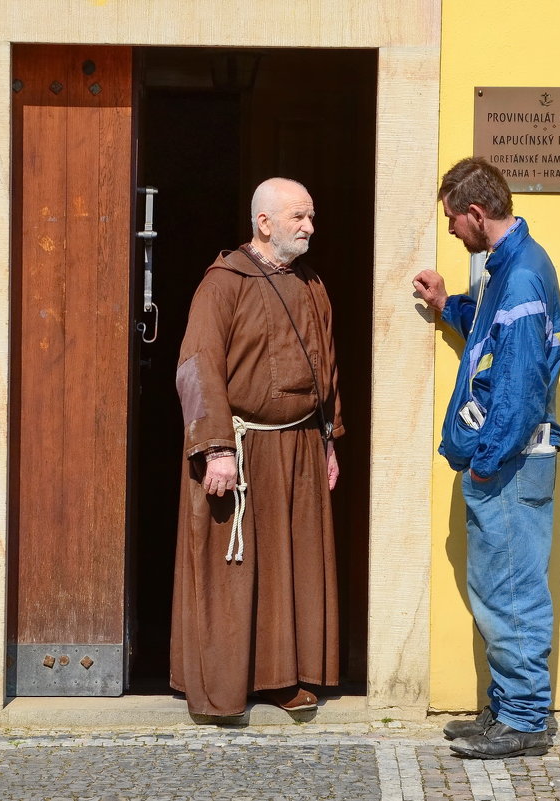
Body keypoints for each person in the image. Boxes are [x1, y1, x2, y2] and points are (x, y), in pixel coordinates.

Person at [170, 177, 343, 717]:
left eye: (311, 217)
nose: (309, 227)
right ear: (264, 223)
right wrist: (216, 447)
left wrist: (328, 438)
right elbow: (197, 366)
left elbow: (326, 366)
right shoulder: (224, 283)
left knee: (287, 567)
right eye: (299, 217)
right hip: (239, 450)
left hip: (298, 449)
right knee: (234, 569)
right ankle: (223, 687)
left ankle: (278, 676)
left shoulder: (311, 282)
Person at [413, 157, 560, 759]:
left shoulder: (522, 276)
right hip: (502, 463)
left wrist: (485, 463)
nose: (450, 229)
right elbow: (493, 338)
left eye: (453, 218)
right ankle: (506, 711)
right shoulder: (506, 269)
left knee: (511, 592)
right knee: (497, 590)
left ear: (477, 214)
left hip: (510, 465)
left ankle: (525, 721)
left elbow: (523, 385)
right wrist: (450, 304)